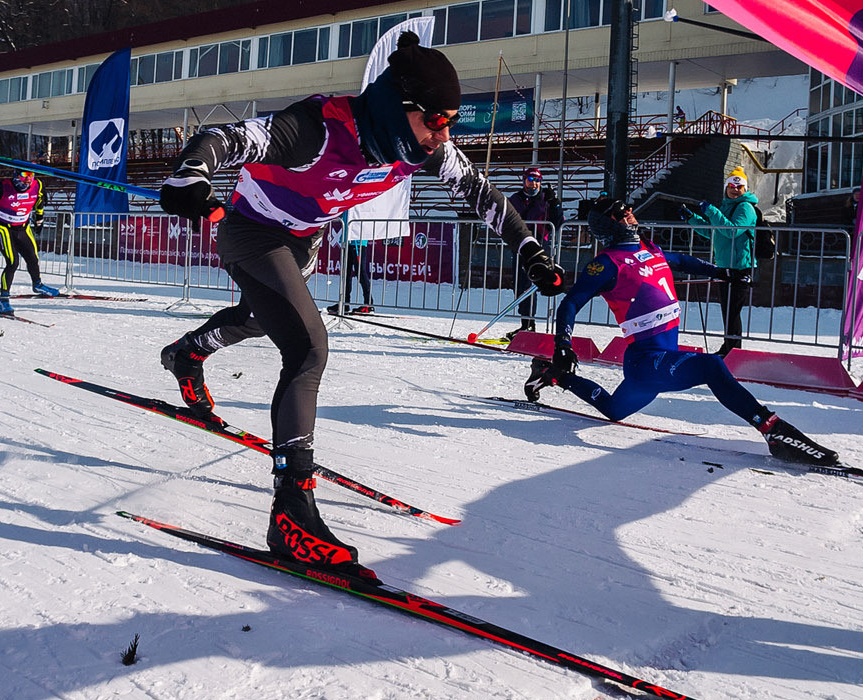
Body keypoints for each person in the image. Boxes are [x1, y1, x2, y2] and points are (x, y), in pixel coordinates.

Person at [157, 40, 566, 581]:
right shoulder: (317, 128)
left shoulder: (424, 148)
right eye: (435, 120)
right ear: (398, 107)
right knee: (306, 347)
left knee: (261, 319)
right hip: (253, 232)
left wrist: (528, 248)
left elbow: (480, 193)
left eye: (449, 122)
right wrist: (192, 173)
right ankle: (292, 511)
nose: (443, 135)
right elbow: (230, 138)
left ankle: (188, 353)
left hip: (302, 241)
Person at [528, 196, 838, 467]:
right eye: (623, 212)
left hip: (659, 362)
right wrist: (563, 344)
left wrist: (723, 273)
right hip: (647, 362)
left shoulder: (650, 249)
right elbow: (570, 301)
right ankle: (772, 429)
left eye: (629, 209)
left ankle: (554, 375)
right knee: (711, 366)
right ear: (610, 223)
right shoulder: (607, 264)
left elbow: (684, 261)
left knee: (613, 409)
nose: (631, 213)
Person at [687, 169, 760, 355]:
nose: (735, 190)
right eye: (731, 186)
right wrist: (692, 219)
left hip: (739, 267)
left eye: (739, 186)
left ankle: (733, 350)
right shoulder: (727, 206)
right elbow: (714, 231)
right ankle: (729, 347)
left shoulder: (746, 208)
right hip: (725, 266)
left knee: (732, 312)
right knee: (727, 312)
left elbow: (732, 232)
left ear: (746, 188)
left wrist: (712, 211)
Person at [0, 165, 54, 313]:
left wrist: (39, 220)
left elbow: (40, 200)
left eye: (31, 174)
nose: (29, 178)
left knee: (33, 258)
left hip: (22, 226)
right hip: (2, 227)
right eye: (25, 174)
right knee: (12, 262)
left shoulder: (37, 184)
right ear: (17, 174)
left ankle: (38, 284)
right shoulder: (1, 187)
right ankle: (3, 300)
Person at [507, 167, 562, 330]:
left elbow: (557, 222)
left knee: (531, 284)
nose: (534, 184)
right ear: (524, 181)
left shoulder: (545, 199)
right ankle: (525, 321)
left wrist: (555, 204)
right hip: (519, 244)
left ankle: (530, 323)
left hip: (538, 245)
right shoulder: (515, 199)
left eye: (537, 180)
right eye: (531, 180)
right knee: (519, 284)